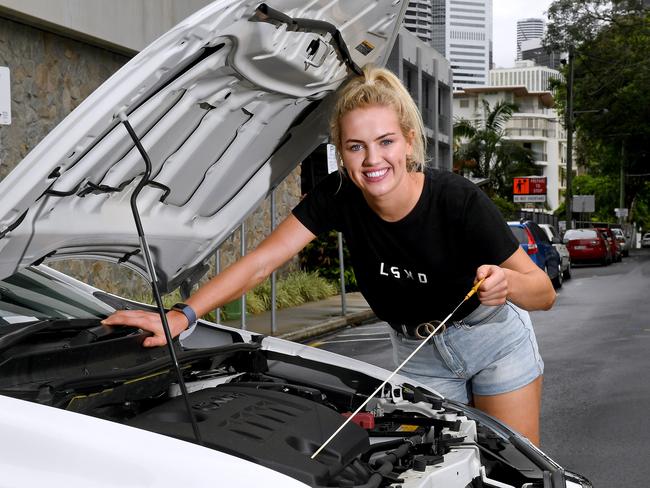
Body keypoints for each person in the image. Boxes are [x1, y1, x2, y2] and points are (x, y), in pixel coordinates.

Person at [103, 65, 555, 446]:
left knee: (512, 469)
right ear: (341, 151)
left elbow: (542, 291)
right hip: (419, 355)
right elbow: (262, 261)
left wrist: (507, 283)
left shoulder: (457, 201)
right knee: (440, 469)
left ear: (410, 141)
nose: (372, 159)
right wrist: (183, 315)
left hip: (492, 341)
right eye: (356, 146)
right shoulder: (338, 196)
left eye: (386, 142)